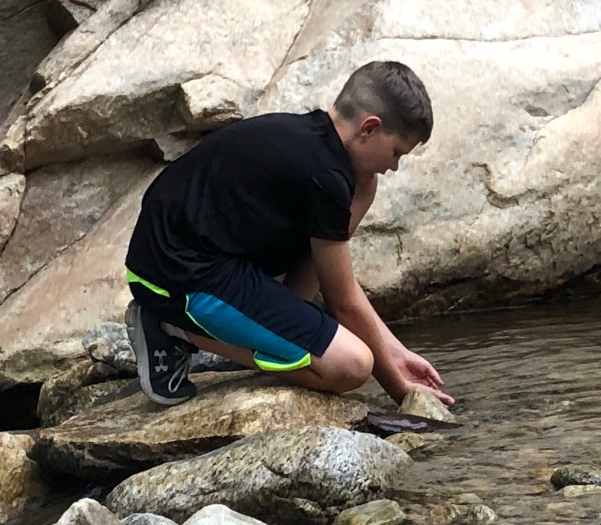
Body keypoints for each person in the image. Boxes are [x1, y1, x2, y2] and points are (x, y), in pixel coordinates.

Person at [124, 60, 454, 410]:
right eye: (396, 153)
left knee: (350, 207)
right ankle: (169, 326)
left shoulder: (327, 155)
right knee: (351, 365)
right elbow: (342, 301)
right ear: (369, 128)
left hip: (215, 256)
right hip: (175, 274)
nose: (394, 167)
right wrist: (402, 391)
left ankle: (256, 342)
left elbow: (323, 272)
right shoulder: (324, 175)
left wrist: (396, 352)